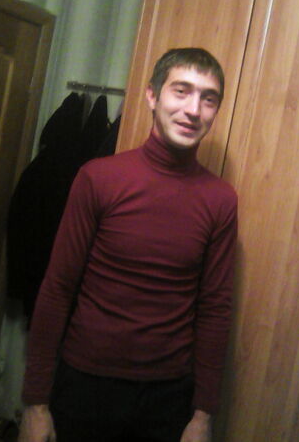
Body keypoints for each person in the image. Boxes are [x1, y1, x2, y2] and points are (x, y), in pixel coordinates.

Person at [18, 48, 238, 442]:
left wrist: (203, 415)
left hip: (169, 396)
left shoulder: (220, 199)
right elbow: (57, 288)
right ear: (152, 95)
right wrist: (35, 403)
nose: (193, 110)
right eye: (181, 91)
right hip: (85, 384)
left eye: (208, 99)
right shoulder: (98, 178)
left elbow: (215, 309)